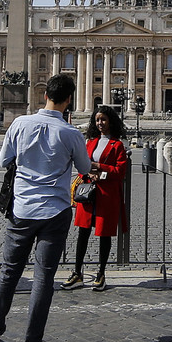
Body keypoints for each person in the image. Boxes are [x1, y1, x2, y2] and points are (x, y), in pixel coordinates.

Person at [0, 74, 91, 342]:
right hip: (55, 212)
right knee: (44, 278)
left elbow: (4, 160)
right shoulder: (70, 133)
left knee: (8, 272)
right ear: (69, 99)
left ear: (45, 95)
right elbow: (84, 168)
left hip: (22, 210)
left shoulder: (20, 124)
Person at [62, 105, 129, 292]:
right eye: (98, 119)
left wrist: (100, 168)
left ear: (111, 121)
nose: (100, 123)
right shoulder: (89, 142)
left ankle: (101, 273)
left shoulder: (118, 145)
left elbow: (120, 171)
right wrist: (88, 173)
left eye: (104, 119)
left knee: (104, 235)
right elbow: (82, 164)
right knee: (82, 233)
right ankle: (77, 273)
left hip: (107, 195)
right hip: (88, 193)